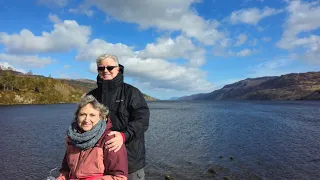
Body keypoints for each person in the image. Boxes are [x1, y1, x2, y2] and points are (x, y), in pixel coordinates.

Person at [87, 54, 150, 180]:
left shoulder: (131, 92)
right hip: (99, 163)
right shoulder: (91, 96)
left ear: (118, 69)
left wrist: (123, 135)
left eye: (110, 67)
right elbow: (82, 120)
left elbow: (142, 120)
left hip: (130, 162)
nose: (105, 71)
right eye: (101, 68)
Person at [56, 95, 128, 180]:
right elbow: (65, 170)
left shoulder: (110, 139)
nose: (86, 119)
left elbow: (120, 177)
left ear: (101, 117)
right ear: (77, 117)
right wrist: (62, 177)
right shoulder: (72, 139)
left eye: (92, 115)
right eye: (82, 114)